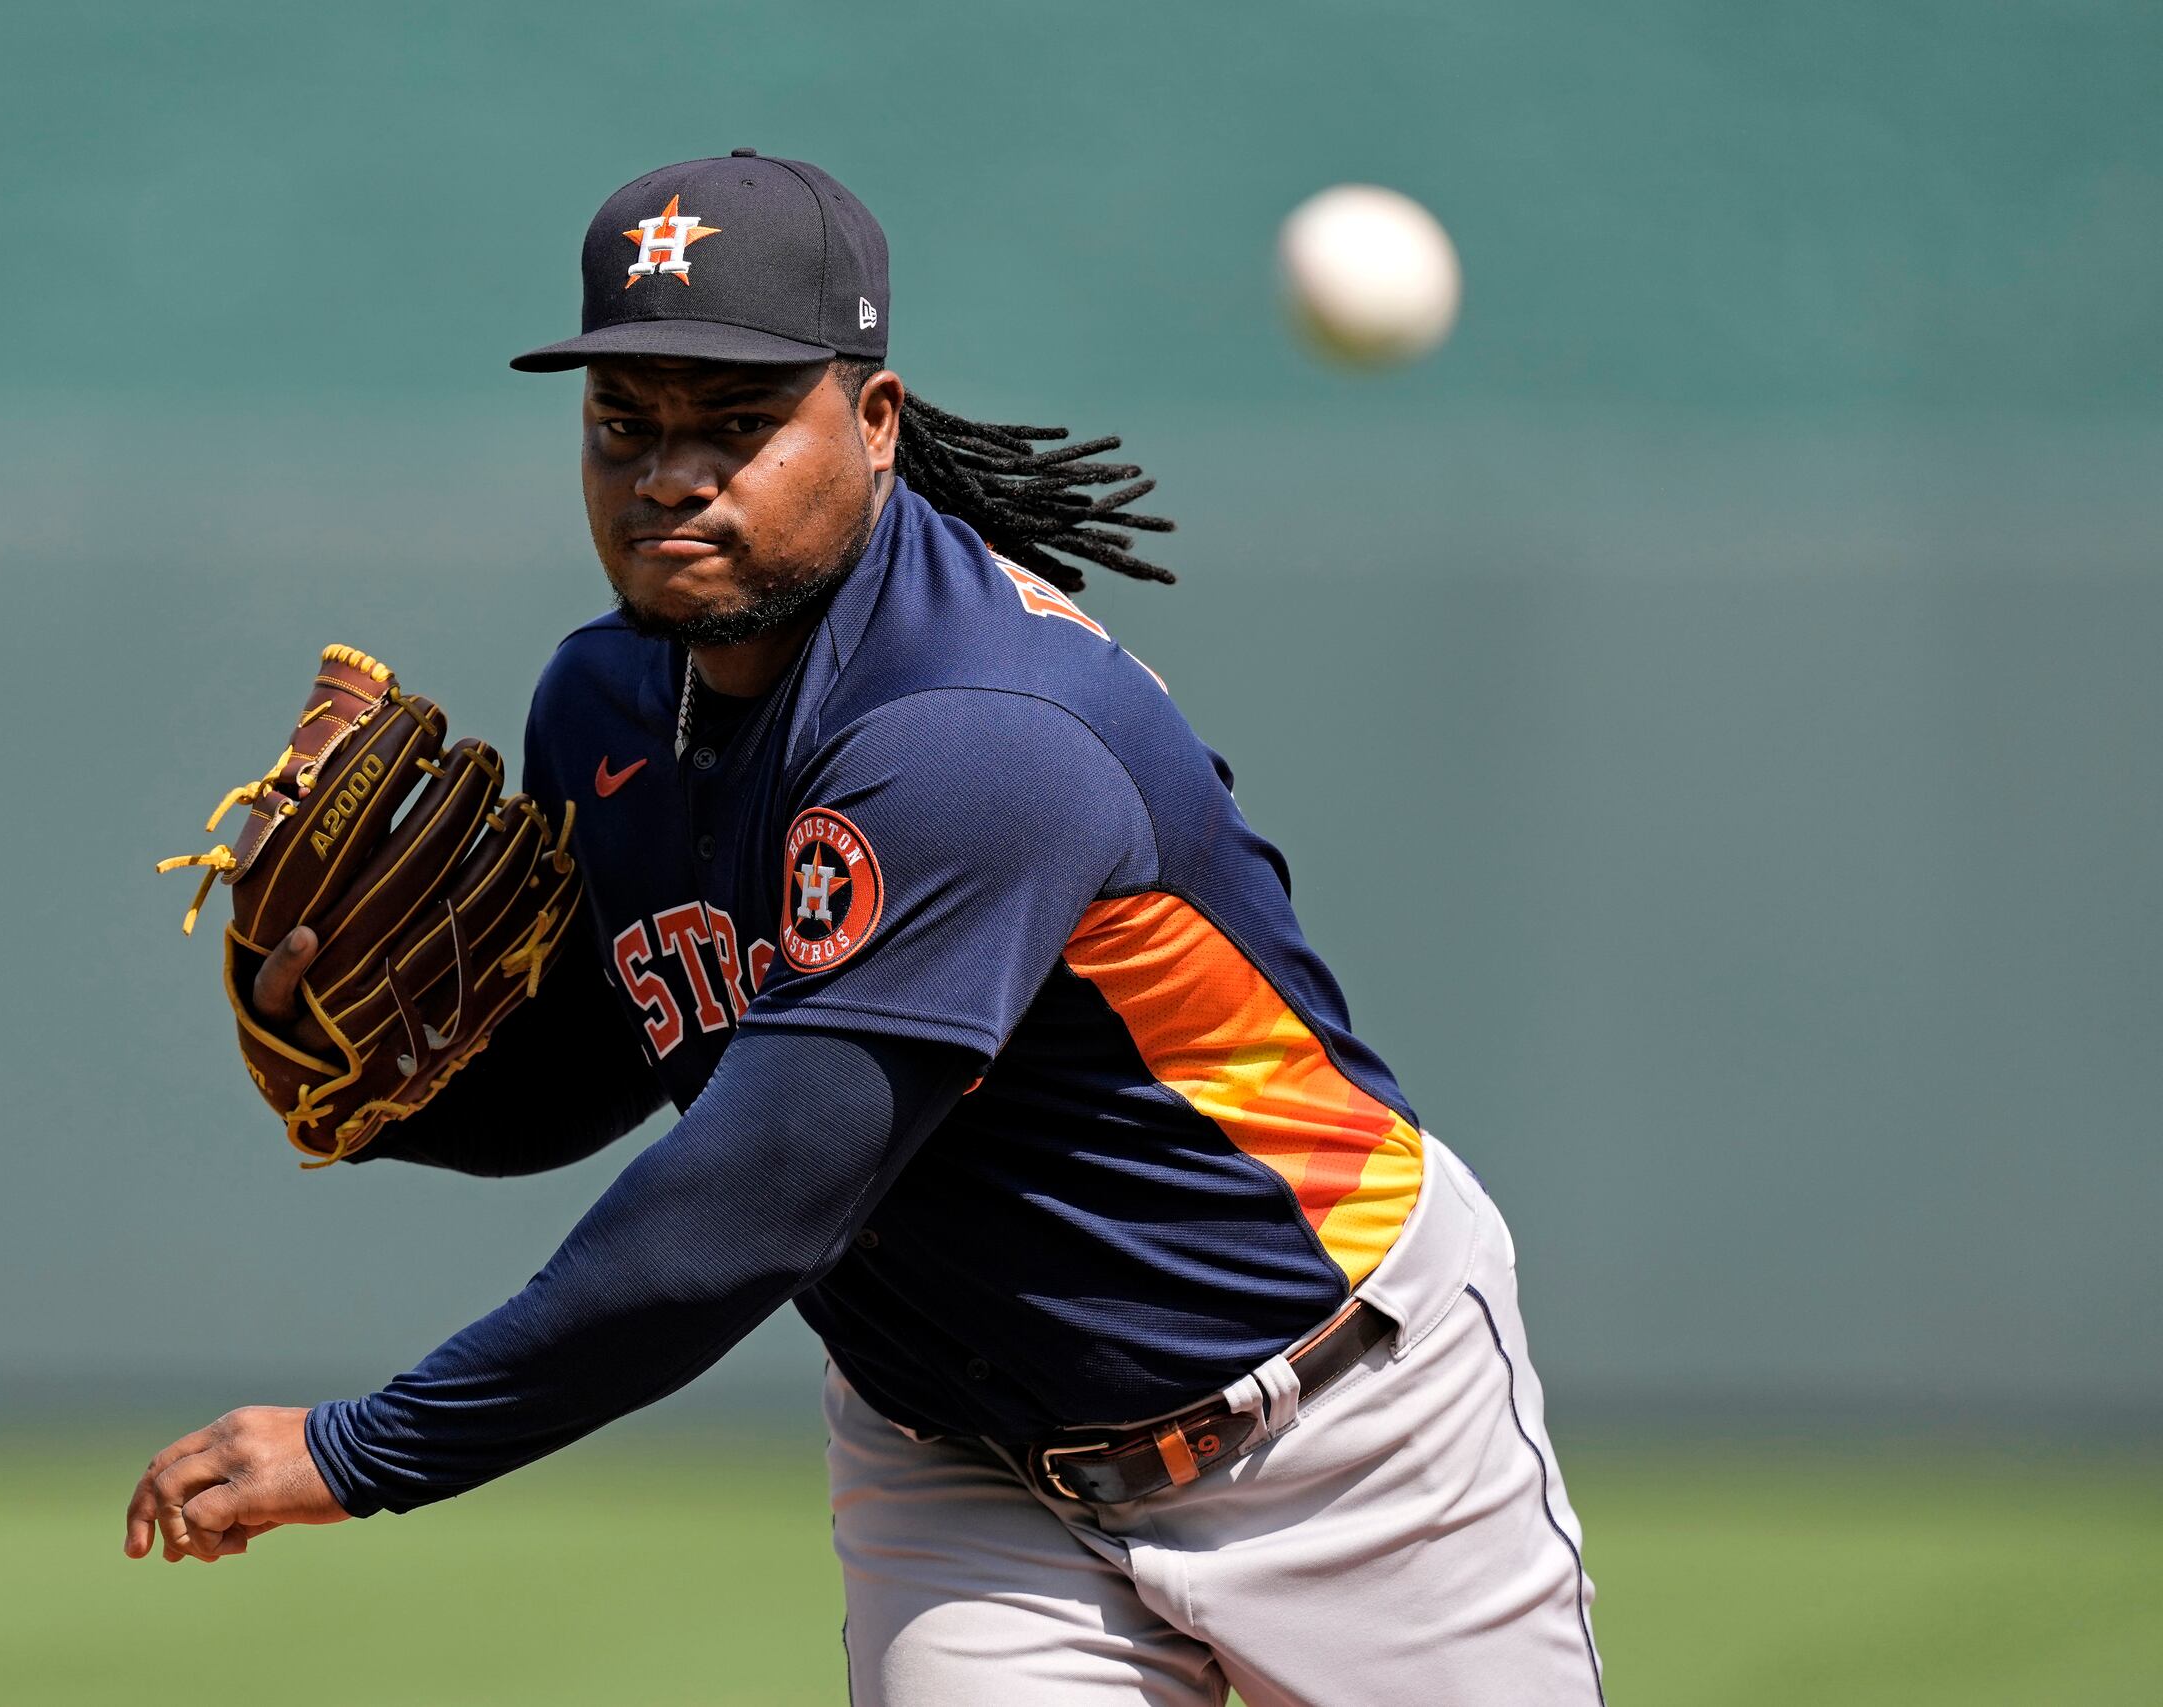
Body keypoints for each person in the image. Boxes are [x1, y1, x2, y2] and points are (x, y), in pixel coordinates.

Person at [123, 151, 1602, 1706]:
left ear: (875, 424)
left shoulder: (980, 736)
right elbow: (642, 1054)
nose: (669, 474)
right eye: (624, 421)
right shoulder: (607, 699)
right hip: (959, 1461)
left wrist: (368, 1450)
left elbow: (755, 1200)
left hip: (1332, 1424)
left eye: (737, 422)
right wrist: (384, 1094)